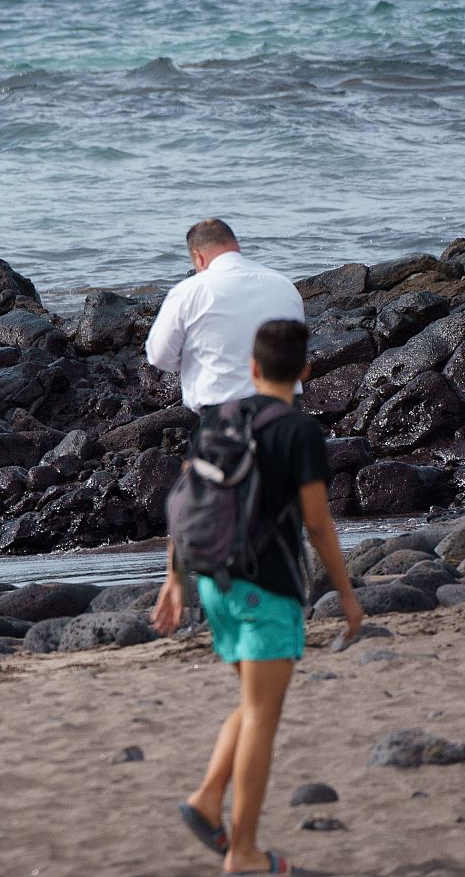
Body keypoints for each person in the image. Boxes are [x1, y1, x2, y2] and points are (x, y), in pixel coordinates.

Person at [152, 319, 365, 876]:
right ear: (305, 371)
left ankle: (205, 801)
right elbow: (317, 524)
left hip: (212, 584)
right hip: (265, 589)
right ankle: (243, 853)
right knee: (264, 720)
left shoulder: (219, 418)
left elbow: (186, 498)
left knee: (252, 706)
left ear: (252, 367)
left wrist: (173, 581)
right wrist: (346, 595)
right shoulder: (299, 432)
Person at [146, 219, 305, 410]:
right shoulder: (283, 284)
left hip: (224, 408)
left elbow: (159, 355)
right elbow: (297, 343)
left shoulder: (190, 291)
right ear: (236, 246)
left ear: (198, 257)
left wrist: (191, 359)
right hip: (285, 407)